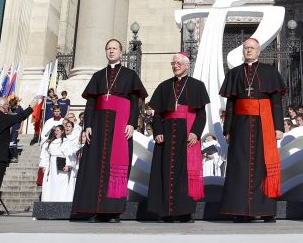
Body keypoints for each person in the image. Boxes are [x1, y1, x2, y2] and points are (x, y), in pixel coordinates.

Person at [71, 39, 146, 223]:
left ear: (121, 52)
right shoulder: (98, 76)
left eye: (115, 48)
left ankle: (112, 211)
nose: (111, 51)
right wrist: (87, 125)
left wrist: (131, 123)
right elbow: (90, 103)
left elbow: (135, 104)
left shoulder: (130, 75)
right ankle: (94, 209)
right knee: (95, 166)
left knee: (116, 168)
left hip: (120, 126)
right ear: (106, 52)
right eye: (109, 49)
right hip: (98, 126)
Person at [219, 37, 286, 223]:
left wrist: (278, 127)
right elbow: (230, 104)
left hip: (264, 124)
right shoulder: (234, 73)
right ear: (243, 51)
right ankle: (241, 211)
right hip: (240, 126)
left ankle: (265, 211)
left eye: (252, 48)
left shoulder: (269, 71)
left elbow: (277, 103)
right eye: (246, 48)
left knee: (263, 166)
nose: (249, 51)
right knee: (239, 167)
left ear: (258, 51)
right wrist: (228, 129)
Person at [147, 52, 210, 222]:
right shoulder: (164, 86)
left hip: (186, 134)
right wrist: (158, 131)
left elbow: (201, 115)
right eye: (173, 63)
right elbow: (157, 114)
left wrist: (195, 132)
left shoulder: (197, 86)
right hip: (166, 135)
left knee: (184, 175)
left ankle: (184, 212)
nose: (175, 66)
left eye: (178, 63)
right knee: (164, 172)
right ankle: (165, 211)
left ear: (187, 65)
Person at [0, 96, 40, 201]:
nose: (9, 107)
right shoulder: (3, 118)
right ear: (4, 106)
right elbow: (20, 117)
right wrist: (31, 107)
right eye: (7, 105)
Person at [40, 125, 76, 202]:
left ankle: (61, 200)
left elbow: (69, 154)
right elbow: (46, 155)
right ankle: (50, 200)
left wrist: (68, 165)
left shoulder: (66, 141)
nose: (56, 132)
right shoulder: (51, 142)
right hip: (52, 164)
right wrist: (44, 166)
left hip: (61, 163)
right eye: (55, 130)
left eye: (58, 130)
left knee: (61, 183)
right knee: (51, 183)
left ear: (62, 131)